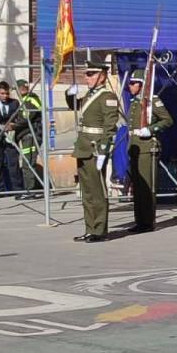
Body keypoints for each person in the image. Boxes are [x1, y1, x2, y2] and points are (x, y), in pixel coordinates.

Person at [69, 59, 119, 243]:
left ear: (102, 76)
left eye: (91, 74)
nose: (87, 77)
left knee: (97, 192)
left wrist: (103, 150)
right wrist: (69, 95)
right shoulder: (90, 95)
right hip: (83, 146)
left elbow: (110, 126)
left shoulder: (107, 97)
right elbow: (77, 110)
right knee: (87, 192)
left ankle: (99, 230)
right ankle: (90, 228)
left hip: (95, 149)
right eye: (86, 74)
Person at [125, 69, 174, 233]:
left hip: (147, 147)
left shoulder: (152, 101)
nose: (130, 86)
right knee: (138, 187)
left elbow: (167, 120)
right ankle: (140, 220)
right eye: (130, 83)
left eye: (133, 83)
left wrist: (151, 130)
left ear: (141, 84)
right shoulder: (134, 102)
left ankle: (147, 222)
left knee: (146, 187)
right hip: (135, 147)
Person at [10, 79, 42, 199]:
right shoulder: (27, 99)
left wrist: (13, 125)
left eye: (16, 90)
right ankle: (30, 188)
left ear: (22, 89)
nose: (16, 92)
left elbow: (26, 118)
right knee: (28, 162)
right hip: (28, 135)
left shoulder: (30, 100)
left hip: (31, 135)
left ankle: (31, 190)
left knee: (28, 163)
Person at [0, 81, 21, 193]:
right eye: (2, 93)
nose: (5, 96)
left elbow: (19, 118)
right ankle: (0, 189)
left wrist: (13, 126)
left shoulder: (14, 103)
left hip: (11, 137)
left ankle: (17, 189)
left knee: (13, 163)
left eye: (7, 93)